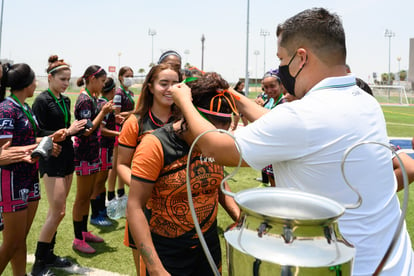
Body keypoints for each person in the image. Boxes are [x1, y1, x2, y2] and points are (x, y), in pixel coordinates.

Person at [170, 8, 413, 275]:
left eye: (282, 59)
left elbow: (216, 147)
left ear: (301, 58)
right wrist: (232, 95)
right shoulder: (364, 101)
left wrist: (184, 100)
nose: (281, 68)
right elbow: (282, 127)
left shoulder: (303, 117)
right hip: (395, 261)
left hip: (346, 266)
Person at [127, 72, 240, 276]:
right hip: (167, 252)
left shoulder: (214, 144)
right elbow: (135, 206)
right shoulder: (155, 145)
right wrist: (155, 267)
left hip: (207, 246)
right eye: (208, 134)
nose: (213, 144)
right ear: (190, 118)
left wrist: (239, 217)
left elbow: (218, 184)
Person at [0, 63, 65, 276]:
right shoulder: (6, 109)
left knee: (20, 241)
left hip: (29, 176)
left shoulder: (24, 107)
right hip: (12, 179)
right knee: (11, 244)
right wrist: (39, 145)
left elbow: (27, 139)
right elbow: (3, 152)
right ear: (27, 84)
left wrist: (48, 139)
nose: (36, 83)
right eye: (34, 80)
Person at [117, 63, 182, 275]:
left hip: (179, 213)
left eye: (175, 84)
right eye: (164, 83)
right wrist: (144, 186)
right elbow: (121, 164)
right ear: (151, 87)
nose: (170, 89)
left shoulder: (186, 122)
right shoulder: (135, 122)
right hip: (144, 208)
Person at [31, 56, 87, 275]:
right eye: (62, 79)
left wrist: (80, 128)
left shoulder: (64, 100)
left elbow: (66, 128)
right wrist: (69, 132)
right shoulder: (42, 101)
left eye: (68, 79)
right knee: (59, 211)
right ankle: (38, 264)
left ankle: (49, 255)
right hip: (50, 156)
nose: (66, 83)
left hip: (66, 155)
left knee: (56, 211)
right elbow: (36, 135)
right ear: (50, 77)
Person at [72, 65, 113, 254]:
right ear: (92, 79)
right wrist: (103, 113)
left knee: (87, 196)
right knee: (81, 198)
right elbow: (87, 131)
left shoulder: (93, 98)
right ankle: (77, 238)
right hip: (84, 155)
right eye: (102, 81)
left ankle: (84, 231)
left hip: (93, 154)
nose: (104, 85)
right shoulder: (84, 100)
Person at [90, 77, 119, 226]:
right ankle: (95, 215)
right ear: (113, 90)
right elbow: (101, 129)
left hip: (106, 147)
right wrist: (119, 134)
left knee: (102, 181)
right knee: (99, 182)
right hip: (102, 147)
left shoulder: (105, 104)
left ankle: (101, 210)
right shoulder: (104, 105)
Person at [108, 66, 135, 202]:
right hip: (119, 131)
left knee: (125, 164)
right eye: (127, 75)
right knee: (116, 164)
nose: (130, 78)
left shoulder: (130, 93)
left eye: (131, 75)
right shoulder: (119, 93)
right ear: (120, 77)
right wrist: (133, 113)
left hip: (128, 130)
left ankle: (120, 192)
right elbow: (116, 114)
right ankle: (110, 195)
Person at [259, 69, 286, 187]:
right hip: (269, 150)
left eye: (272, 86)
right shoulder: (268, 102)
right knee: (272, 181)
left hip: (278, 151)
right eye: (265, 87)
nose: (269, 90)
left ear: (281, 85)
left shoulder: (285, 103)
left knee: (279, 184)